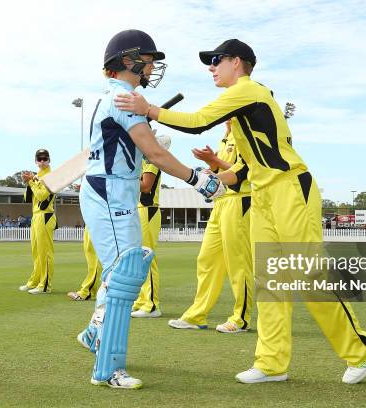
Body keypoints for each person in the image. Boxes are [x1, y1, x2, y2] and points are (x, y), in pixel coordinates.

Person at [114, 39, 366, 385]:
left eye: (215, 60)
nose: (211, 67)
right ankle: (271, 363)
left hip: (290, 188)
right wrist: (209, 177)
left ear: (237, 62)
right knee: (270, 282)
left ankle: (361, 347)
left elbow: (198, 121)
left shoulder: (248, 90)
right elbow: (242, 171)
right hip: (263, 193)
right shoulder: (241, 110)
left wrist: (149, 109)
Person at [74, 29, 224, 390]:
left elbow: (142, 147)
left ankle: (95, 332)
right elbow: (155, 154)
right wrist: (197, 178)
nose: (154, 66)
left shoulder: (118, 97)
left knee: (124, 273)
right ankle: (107, 369)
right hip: (110, 189)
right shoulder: (124, 98)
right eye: (149, 59)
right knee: (124, 276)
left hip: (112, 189)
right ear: (129, 61)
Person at [168, 120, 253, 333]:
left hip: (240, 199)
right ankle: (196, 315)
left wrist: (213, 160)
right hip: (220, 202)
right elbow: (221, 169)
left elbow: (246, 171)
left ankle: (240, 319)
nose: (227, 116)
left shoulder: (248, 135)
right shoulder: (226, 137)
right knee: (206, 259)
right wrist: (212, 164)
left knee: (238, 263)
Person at [18, 149, 57, 295]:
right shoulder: (37, 176)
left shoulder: (51, 176)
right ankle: (35, 281)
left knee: (45, 252)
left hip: (45, 215)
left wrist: (32, 181)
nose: (42, 161)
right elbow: (27, 198)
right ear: (35, 161)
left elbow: (42, 196)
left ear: (49, 160)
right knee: (36, 252)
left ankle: (45, 285)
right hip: (36, 215)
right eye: (39, 159)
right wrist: (29, 182)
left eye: (45, 159)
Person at [131, 157, 164, 318]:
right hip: (140, 209)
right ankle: (141, 300)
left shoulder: (151, 160)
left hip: (147, 210)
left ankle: (151, 305)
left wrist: (126, 177)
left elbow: (145, 187)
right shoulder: (141, 161)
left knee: (147, 257)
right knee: (139, 258)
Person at [68, 227, 103, 301]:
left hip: (99, 218)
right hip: (90, 219)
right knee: (90, 252)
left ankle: (87, 291)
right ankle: (91, 290)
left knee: (95, 255)